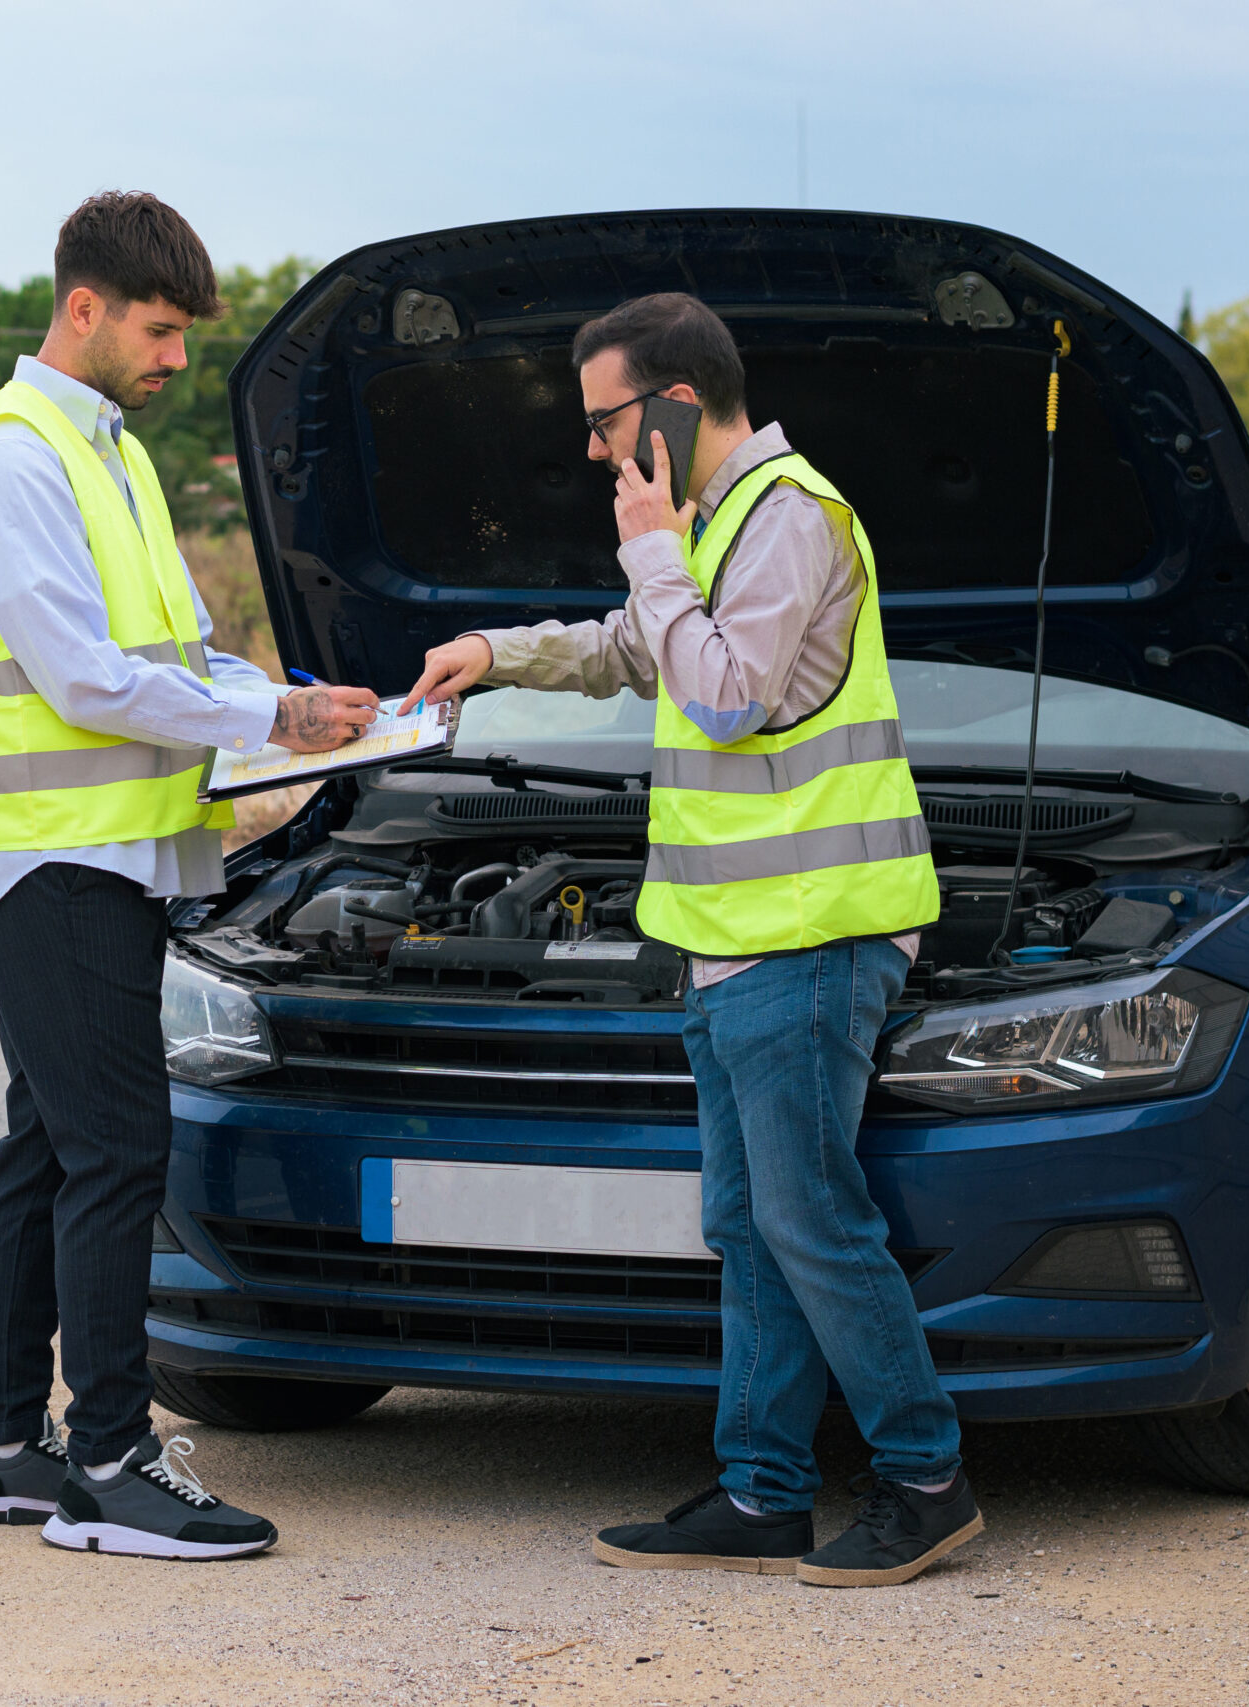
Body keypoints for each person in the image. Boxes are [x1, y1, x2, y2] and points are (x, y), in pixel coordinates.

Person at [402, 293, 982, 1589]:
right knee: (751, 1221)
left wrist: (653, 550)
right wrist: (494, 652)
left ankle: (926, 1479)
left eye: (608, 421)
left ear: (672, 403)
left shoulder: (788, 517)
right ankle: (763, 1490)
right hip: (731, 938)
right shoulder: (719, 527)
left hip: (814, 934)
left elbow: (724, 697)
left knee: (812, 1218)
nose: (601, 450)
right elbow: (637, 647)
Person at [0, 191, 380, 1560]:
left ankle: (2, 1445)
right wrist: (267, 724)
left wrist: (296, 697)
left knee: (49, 1140)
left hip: (104, 854)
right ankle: (112, 1462)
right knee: (117, 1148)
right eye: (162, 329)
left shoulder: (100, 452)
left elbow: (164, 654)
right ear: (86, 309)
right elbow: (82, 678)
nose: (178, 357)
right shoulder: (16, 461)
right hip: (54, 856)